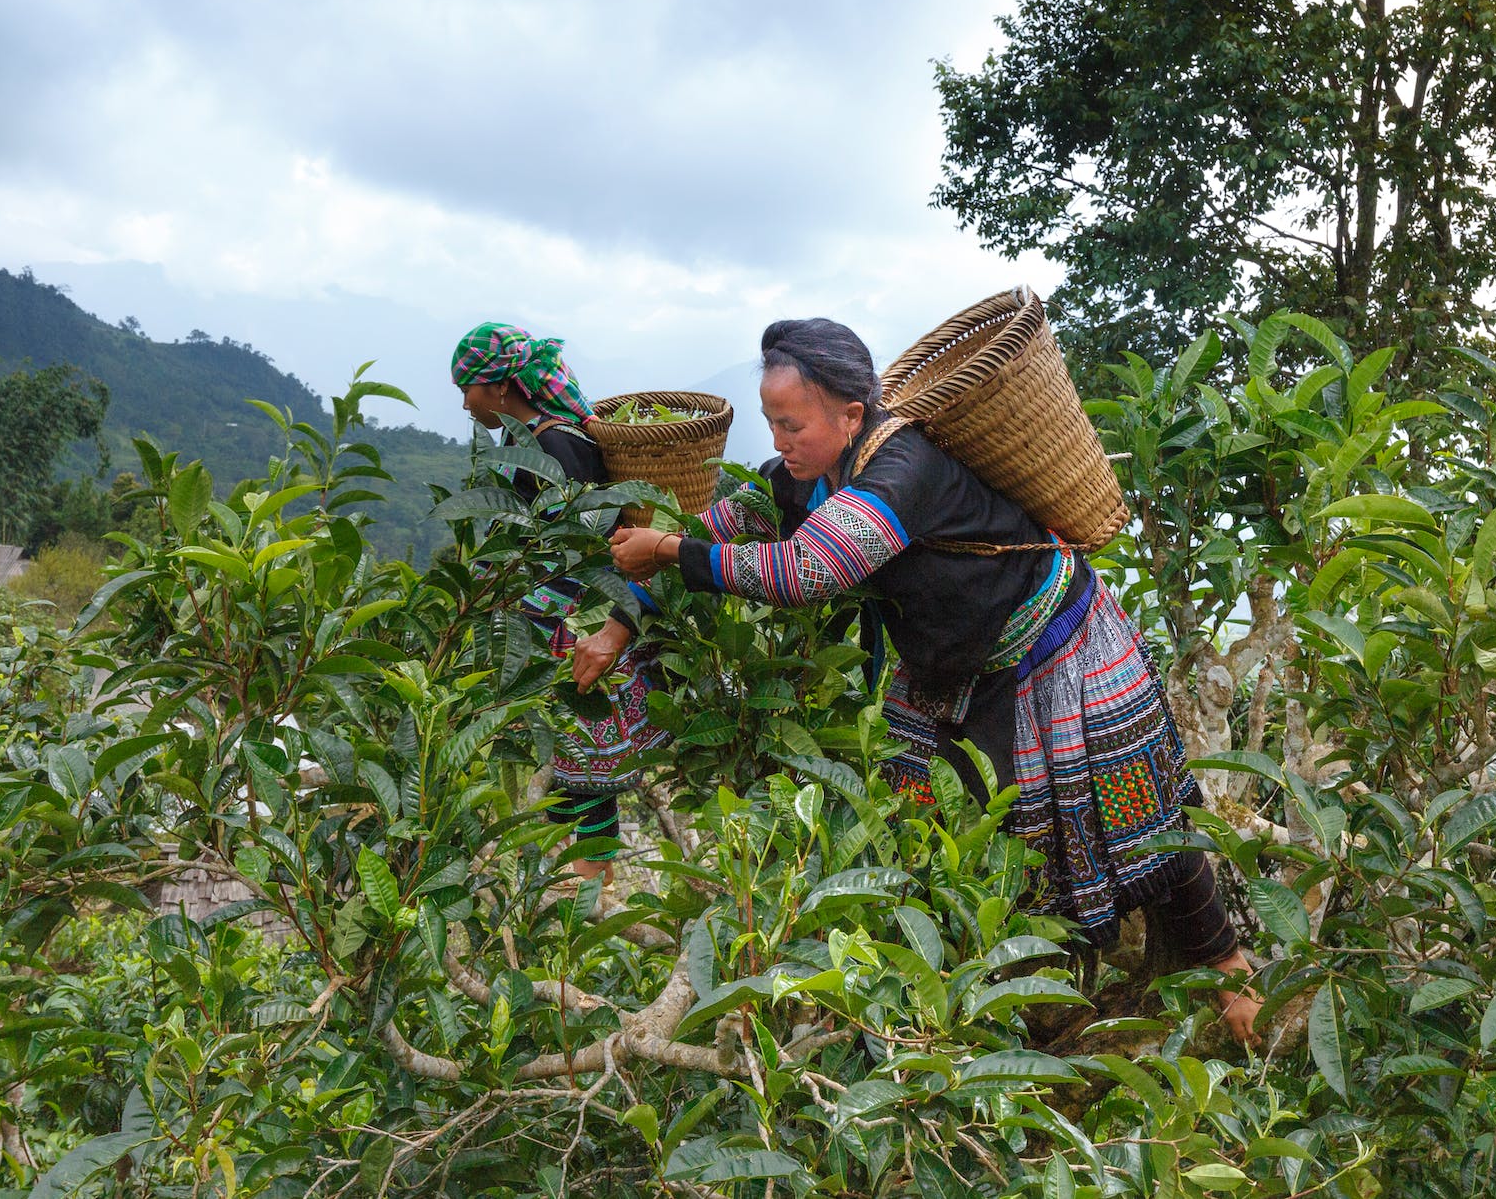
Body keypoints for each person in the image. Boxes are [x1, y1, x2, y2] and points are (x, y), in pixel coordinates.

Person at [608, 317, 1263, 1044]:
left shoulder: (902, 468)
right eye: (771, 423)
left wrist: (668, 551)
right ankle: (979, 1014)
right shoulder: (797, 480)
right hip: (951, 669)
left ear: (851, 415)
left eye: (791, 424)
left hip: (1059, 643)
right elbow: (716, 528)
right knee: (932, 826)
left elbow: (808, 571)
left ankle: (1229, 968)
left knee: (1134, 813)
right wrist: (621, 618)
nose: (777, 441)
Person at [451, 323, 668, 878]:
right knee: (569, 768)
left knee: (586, 772)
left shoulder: (556, 445)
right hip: (555, 623)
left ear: (500, 388)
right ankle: (571, 888)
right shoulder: (529, 441)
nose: (464, 401)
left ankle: (591, 892)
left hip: (577, 625)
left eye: (467, 387)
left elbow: (579, 543)